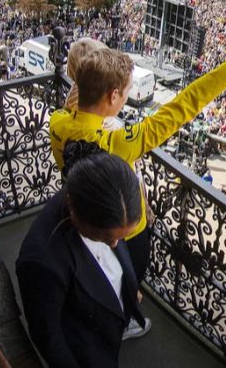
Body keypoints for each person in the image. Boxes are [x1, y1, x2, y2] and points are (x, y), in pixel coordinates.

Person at [49, 21, 226, 338]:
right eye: (125, 93)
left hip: (82, 217)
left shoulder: (58, 122)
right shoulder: (121, 140)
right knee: (129, 276)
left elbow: (77, 102)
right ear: (113, 96)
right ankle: (124, 320)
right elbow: (189, 101)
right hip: (127, 227)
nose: (127, 98)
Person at [16, 144, 147, 367]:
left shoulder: (103, 199)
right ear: (77, 213)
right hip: (87, 349)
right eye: (106, 238)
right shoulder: (41, 262)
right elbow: (49, 337)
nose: (115, 244)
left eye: (122, 236)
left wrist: (126, 287)